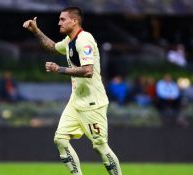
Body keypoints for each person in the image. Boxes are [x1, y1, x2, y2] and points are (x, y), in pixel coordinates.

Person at [23, 7, 122, 175]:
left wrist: (59, 69)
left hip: (92, 103)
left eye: (63, 19)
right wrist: (36, 30)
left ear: (74, 21)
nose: (59, 22)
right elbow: (53, 47)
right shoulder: (69, 41)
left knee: (100, 146)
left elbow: (88, 70)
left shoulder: (85, 39)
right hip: (76, 102)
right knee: (60, 139)